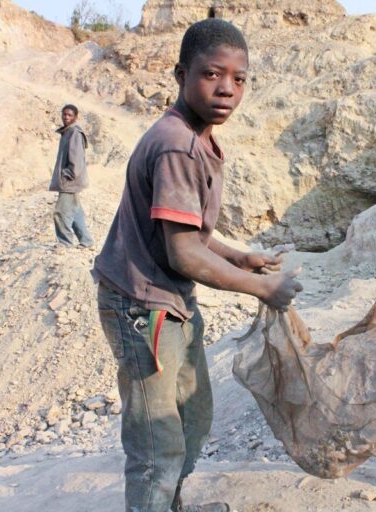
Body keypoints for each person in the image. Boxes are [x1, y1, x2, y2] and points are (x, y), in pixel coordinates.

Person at [91, 19, 302, 512]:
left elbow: (188, 233)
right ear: (181, 73)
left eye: (239, 78)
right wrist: (260, 286)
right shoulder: (178, 145)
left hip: (169, 301)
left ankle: (172, 504)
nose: (227, 88)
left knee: (192, 416)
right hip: (142, 307)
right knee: (157, 438)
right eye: (212, 74)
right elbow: (182, 253)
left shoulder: (196, 136)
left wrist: (239, 257)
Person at [49, 104, 94, 248]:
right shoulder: (68, 132)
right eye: (64, 114)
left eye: (69, 115)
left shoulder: (74, 132)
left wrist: (66, 174)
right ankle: (87, 241)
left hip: (70, 181)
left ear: (75, 117)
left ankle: (64, 243)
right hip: (70, 180)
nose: (66, 117)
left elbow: (76, 159)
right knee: (76, 212)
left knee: (60, 213)